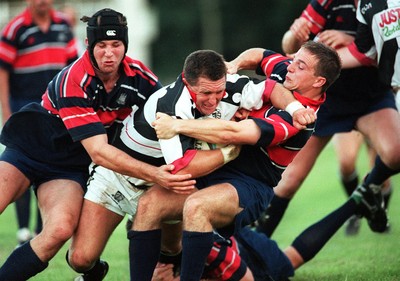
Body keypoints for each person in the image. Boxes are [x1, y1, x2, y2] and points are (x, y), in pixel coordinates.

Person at [66, 49, 314, 280]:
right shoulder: (172, 106)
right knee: (82, 258)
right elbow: (183, 168)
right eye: (205, 93)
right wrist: (229, 151)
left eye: (219, 92)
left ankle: (185, 263)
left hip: (202, 181)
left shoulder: (243, 91)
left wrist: (293, 109)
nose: (213, 101)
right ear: (187, 82)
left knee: (183, 223)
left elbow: (264, 98)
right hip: (122, 175)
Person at [0, 8, 195, 281]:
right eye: (101, 45)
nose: (109, 53)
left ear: (125, 45)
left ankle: (93, 271)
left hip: (68, 167)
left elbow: (167, 115)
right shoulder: (74, 80)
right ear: (89, 45)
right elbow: (99, 152)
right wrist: (154, 175)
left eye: (116, 45)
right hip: (30, 149)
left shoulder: (141, 79)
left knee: (58, 231)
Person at [131, 41, 341, 281]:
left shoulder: (302, 118)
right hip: (215, 169)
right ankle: (163, 264)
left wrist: (176, 124)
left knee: (197, 207)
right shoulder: (288, 72)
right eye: (294, 60)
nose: (290, 66)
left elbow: (237, 134)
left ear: (318, 82)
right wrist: (234, 65)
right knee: (149, 205)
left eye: (300, 65)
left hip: (249, 185)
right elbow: (260, 55)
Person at [253, 0, 400, 238]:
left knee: (395, 153)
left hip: (371, 96)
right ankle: (254, 248)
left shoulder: (387, 5)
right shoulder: (326, 3)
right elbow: (290, 47)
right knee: (290, 179)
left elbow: (382, 49)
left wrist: (351, 41)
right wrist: (295, 32)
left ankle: (367, 192)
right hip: (327, 99)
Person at [151, 190, 370, 281]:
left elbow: (247, 278)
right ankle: (358, 199)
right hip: (235, 238)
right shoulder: (153, 248)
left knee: (290, 260)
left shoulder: (206, 247)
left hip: (244, 255)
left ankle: (357, 200)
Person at [0, 0, 79, 245]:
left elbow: (73, 66)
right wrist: (7, 112)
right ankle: (23, 228)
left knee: (47, 163)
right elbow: (2, 72)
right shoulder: (15, 29)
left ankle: (38, 230)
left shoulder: (64, 24)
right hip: (23, 108)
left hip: (53, 110)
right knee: (21, 162)